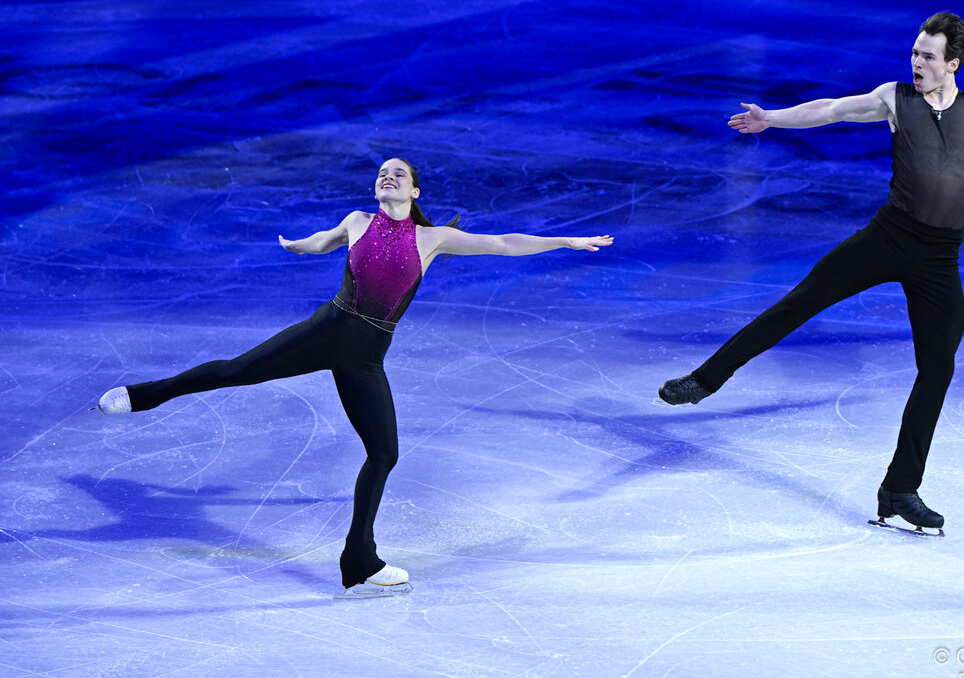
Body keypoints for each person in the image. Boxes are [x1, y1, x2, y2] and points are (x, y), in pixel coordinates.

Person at [657, 12, 964, 533]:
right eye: (915, 52)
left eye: (928, 56)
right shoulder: (895, 99)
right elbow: (832, 109)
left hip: (939, 260)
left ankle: (900, 489)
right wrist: (771, 119)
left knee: (938, 368)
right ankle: (704, 381)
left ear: (952, 64)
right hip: (887, 239)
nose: (916, 62)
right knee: (799, 302)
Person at [98, 157, 613, 597]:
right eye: (383, 173)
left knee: (384, 453)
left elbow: (501, 243)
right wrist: (298, 245)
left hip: (366, 358)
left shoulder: (434, 238)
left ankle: (358, 561)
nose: (389, 176)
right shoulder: (359, 221)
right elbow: (324, 242)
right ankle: (144, 395)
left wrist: (564, 240)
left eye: (399, 173)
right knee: (237, 371)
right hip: (328, 330)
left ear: (415, 191)